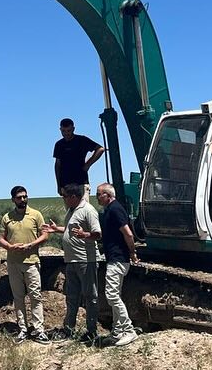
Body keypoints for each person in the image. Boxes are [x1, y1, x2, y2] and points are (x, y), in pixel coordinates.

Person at [42, 183, 102, 342]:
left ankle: (92, 332)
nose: (63, 199)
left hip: (86, 260)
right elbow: (71, 230)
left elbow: (97, 234)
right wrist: (56, 229)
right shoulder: (71, 211)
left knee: (90, 296)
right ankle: (68, 329)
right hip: (71, 260)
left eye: (65, 197)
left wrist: (85, 234)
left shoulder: (88, 210)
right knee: (71, 296)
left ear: (73, 197)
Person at [0, 186, 50, 344]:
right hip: (13, 263)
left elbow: (45, 235)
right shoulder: (7, 217)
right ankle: (23, 329)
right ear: (13, 199)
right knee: (18, 297)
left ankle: (39, 330)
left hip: (31, 262)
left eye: (25, 196)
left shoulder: (36, 215)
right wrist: (10, 247)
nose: (23, 200)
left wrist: (31, 245)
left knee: (35, 296)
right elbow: (1, 238)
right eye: (19, 197)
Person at [95, 182, 139, 346]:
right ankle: (117, 331)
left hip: (118, 259)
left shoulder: (115, 209)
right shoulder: (110, 210)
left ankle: (129, 330)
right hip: (115, 258)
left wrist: (132, 252)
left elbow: (128, 233)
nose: (97, 197)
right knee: (115, 295)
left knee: (112, 295)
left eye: (99, 194)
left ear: (107, 195)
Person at [53, 118, 105, 196]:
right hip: (66, 184)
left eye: (68, 131)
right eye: (63, 131)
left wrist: (88, 164)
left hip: (81, 182)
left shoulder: (82, 140)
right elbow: (57, 165)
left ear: (73, 129)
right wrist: (58, 185)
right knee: (70, 204)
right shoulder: (59, 144)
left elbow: (100, 149)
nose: (66, 133)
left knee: (83, 204)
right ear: (60, 129)